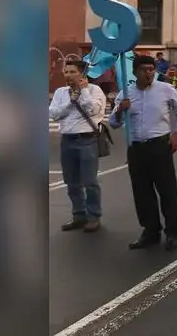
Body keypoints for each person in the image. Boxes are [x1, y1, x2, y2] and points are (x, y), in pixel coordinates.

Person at [109, 54, 177, 251]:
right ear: (135, 71)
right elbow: (114, 123)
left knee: (167, 191)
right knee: (142, 193)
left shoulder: (165, 89)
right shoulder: (126, 93)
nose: (149, 73)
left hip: (159, 146)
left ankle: (172, 232)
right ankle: (150, 231)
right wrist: (120, 110)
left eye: (151, 69)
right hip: (136, 148)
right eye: (144, 70)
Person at [49, 59, 107, 233]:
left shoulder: (95, 90)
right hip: (67, 140)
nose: (68, 76)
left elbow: (94, 110)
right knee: (71, 181)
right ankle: (78, 215)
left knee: (89, 181)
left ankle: (94, 216)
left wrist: (83, 93)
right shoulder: (61, 92)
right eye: (66, 72)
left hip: (87, 139)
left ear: (81, 74)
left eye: (72, 72)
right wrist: (70, 101)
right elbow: (54, 114)